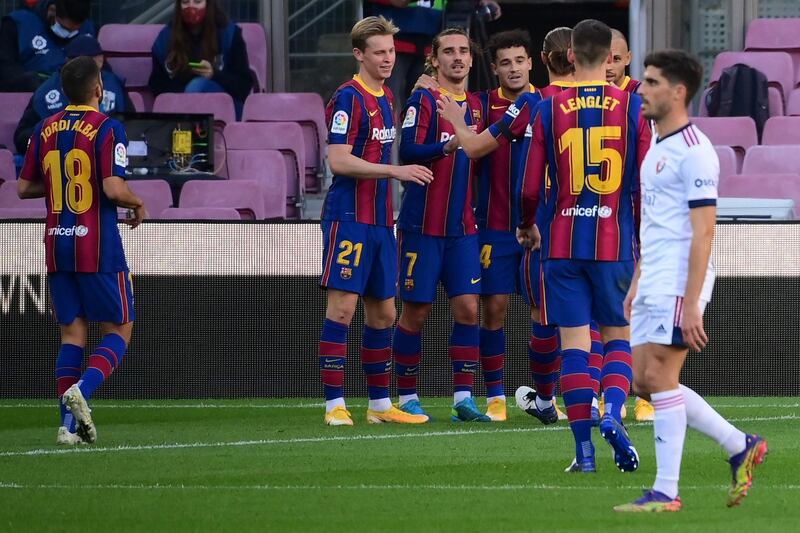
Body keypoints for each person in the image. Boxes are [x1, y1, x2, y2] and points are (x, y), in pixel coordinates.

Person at [614, 49, 767, 512]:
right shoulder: (657, 146)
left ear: (678, 92)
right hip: (655, 275)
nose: (641, 88)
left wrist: (694, 300)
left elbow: (704, 231)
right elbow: (654, 222)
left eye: (652, 82)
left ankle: (666, 491)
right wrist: (638, 277)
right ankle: (739, 444)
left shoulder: (697, 152)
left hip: (680, 280)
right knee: (643, 380)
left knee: (659, 377)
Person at [516, 19, 651, 472]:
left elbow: (530, 186)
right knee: (617, 338)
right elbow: (646, 184)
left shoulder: (547, 108)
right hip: (615, 242)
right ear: (611, 58)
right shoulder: (635, 108)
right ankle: (612, 412)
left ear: (571, 55)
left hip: (562, 241)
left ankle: (584, 452)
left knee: (573, 345)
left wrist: (526, 224)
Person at [433, 28, 569, 422]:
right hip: (494, 226)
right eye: (505, 62)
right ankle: (495, 397)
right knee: (493, 310)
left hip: (541, 227)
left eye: (520, 60)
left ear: (533, 63)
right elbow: (442, 95)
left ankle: (549, 391)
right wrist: (428, 81)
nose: (513, 68)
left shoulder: (546, 102)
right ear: (493, 68)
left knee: (547, 312)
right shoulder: (479, 107)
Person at [17, 56, 145, 445]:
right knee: (120, 328)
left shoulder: (43, 128)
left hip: (57, 240)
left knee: (72, 335)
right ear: (98, 89)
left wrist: (58, 190)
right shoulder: (108, 128)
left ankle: (66, 428)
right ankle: (82, 391)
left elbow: (23, 188)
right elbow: (111, 188)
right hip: (98, 244)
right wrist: (137, 203)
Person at [318, 16, 433, 427]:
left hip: (383, 221)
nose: (387, 59)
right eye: (379, 52)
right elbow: (338, 160)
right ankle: (334, 405)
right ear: (359, 54)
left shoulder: (386, 96)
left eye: (391, 52)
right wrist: (396, 171)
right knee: (343, 309)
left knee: (384, 314)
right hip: (349, 218)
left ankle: (380, 406)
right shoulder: (348, 97)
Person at [393, 27, 488, 422]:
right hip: (422, 225)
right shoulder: (423, 99)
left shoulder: (478, 106)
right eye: (448, 52)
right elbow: (408, 149)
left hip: (463, 228)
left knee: (468, 309)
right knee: (416, 311)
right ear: (434, 60)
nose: (457, 58)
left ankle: (463, 399)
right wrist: (447, 146)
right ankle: (407, 396)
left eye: (463, 51)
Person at [365, 1, 500, 105]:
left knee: (427, 101)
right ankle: (388, 141)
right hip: (392, 44)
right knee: (388, 101)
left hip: (431, 41)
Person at [14, 35, 132, 154]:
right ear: (68, 61)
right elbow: (21, 140)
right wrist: (52, 134)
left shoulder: (114, 85)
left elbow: (134, 127)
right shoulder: (46, 93)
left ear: (100, 60)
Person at [149, 0, 253, 119]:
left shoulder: (228, 33)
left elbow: (243, 86)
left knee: (198, 85)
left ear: (208, 4)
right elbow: (156, 86)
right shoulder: (166, 38)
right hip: (178, 110)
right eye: (185, 2)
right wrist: (185, 77)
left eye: (197, 2)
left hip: (225, 111)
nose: (191, 7)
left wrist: (214, 75)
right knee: (194, 86)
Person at [0, 0, 94, 92]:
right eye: (64, 28)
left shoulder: (87, 29)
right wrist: (32, 82)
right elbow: (5, 69)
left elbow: (99, 66)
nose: (68, 34)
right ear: (52, 10)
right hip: (32, 93)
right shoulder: (18, 24)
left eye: (74, 31)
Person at [606, 28, 640, 94]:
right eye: (603, 60)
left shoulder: (640, 91)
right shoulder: (587, 92)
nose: (608, 68)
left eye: (616, 59)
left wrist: (623, 98)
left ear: (628, 58)